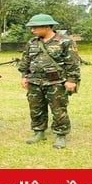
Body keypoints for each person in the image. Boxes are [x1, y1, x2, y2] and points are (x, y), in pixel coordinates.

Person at [17, 13, 81, 149]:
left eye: (35, 27)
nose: (32, 30)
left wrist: (71, 80)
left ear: (46, 27)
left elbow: (73, 63)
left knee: (58, 109)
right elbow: (26, 60)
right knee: (36, 108)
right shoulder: (32, 42)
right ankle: (39, 132)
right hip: (34, 81)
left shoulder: (65, 41)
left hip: (56, 82)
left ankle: (61, 134)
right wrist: (24, 76)